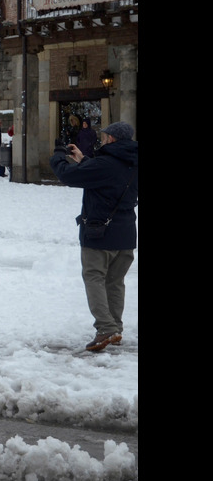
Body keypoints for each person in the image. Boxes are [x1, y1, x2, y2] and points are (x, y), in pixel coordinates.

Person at [50, 122, 138, 352]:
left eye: (106, 136)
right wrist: (84, 159)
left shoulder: (105, 164)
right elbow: (108, 177)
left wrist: (58, 157)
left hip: (100, 233)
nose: (104, 139)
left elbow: (68, 176)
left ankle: (106, 328)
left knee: (94, 278)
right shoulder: (132, 162)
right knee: (115, 282)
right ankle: (115, 327)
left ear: (112, 139)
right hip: (126, 233)